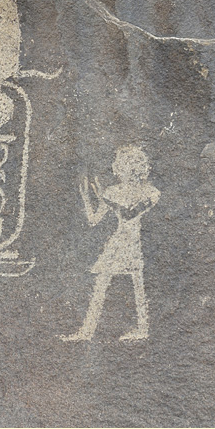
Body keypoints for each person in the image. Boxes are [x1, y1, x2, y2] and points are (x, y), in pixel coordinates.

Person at [60, 145, 159, 342]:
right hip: (118, 241)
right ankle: (87, 331)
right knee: (103, 282)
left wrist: (106, 199)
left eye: (127, 165)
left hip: (135, 242)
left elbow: (129, 213)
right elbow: (93, 220)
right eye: (121, 165)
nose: (121, 169)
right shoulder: (113, 191)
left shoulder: (150, 192)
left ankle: (142, 328)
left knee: (138, 284)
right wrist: (87, 198)